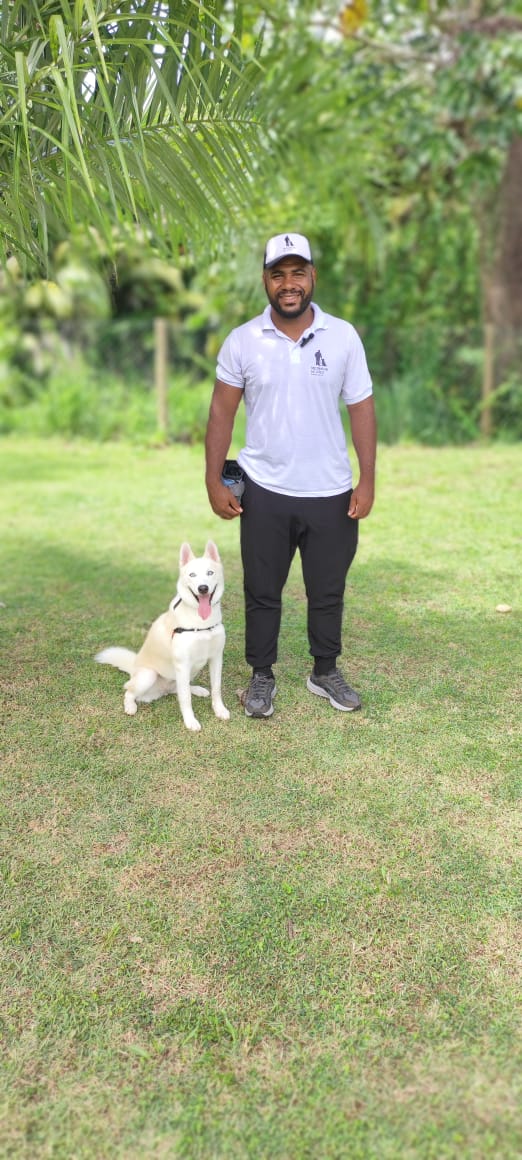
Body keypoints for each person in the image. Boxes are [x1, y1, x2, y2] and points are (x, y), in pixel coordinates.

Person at [205, 232, 376, 718]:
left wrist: (366, 480)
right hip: (263, 489)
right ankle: (261, 677)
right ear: (266, 280)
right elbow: (221, 413)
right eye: (278, 274)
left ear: (312, 276)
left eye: (297, 272)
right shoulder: (243, 340)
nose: (288, 283)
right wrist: (213, 479)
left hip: (331, 490)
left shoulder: (343, 336)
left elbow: (362, 409)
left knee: (327, 590)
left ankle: (325, 671)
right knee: (262, 590)